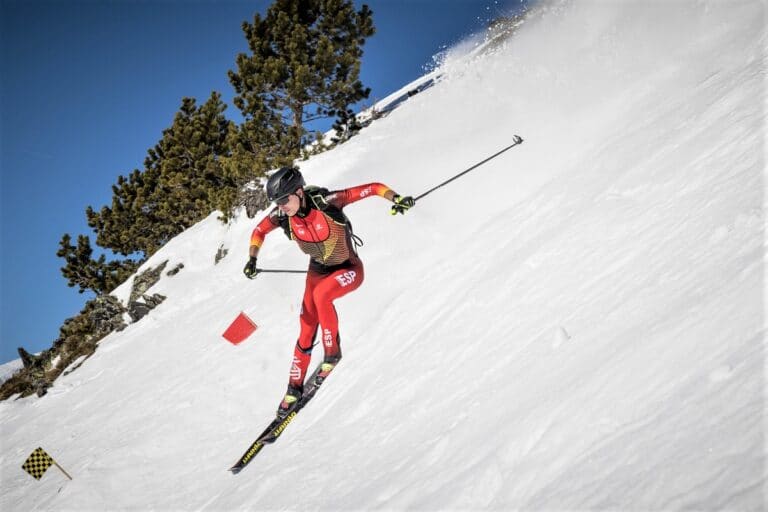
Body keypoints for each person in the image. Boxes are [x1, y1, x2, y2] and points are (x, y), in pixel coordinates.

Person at [244, 165, 414, 417]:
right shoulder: (282, 216)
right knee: (305, 325)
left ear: (299, 192)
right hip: (317, 271)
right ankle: (293, 387)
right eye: (277, 202)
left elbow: (374, 188)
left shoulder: (328, 202)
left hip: (349, 269)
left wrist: (396, 198)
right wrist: (252, 258)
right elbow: (259, 231)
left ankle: (332, 352)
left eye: (283, 199)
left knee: (322, 295)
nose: (281, 206)